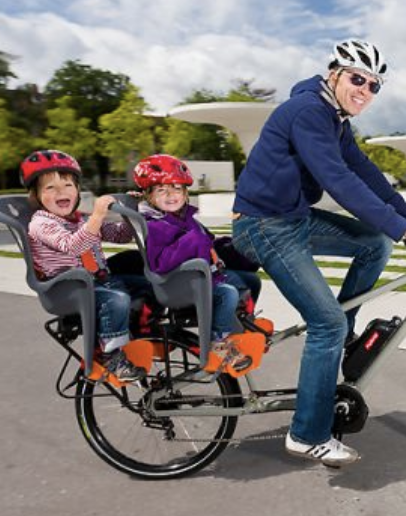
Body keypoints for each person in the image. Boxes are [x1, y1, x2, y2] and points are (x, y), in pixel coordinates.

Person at [232, 39, 406, 467]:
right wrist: (404, 228)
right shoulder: (309, 112)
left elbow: (364, 171)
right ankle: (307, 433)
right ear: (334, 73)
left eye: (374, 85)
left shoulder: (335, 120)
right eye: (357, 78)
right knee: (323, 322)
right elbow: (339, 182)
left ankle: (341, 334)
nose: (364, 89)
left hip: (292, 219)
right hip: (264, 226)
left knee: (373, 242)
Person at [22, 149, 149, 382]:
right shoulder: (40, 223)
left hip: (98, 280)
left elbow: (120, 236)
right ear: (37, 195)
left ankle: (133, 329)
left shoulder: (79, 218)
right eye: (50, 188)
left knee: (146, 284)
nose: (61, 191)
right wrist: (98, 215)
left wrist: (131, 211)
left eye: (68, 185)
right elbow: (73, 246)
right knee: (117, 299)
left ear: (78, 190)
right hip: (69, 289)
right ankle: (110, 355)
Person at [133, 153, 253, 374]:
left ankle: (240, 325)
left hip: (200, 278)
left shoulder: (185, 218)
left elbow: (208, 241)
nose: (171, 195)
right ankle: (219, 342)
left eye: (177, 188)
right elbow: (159, 263)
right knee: (228, 293)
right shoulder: (156, 227)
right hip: (177, 285)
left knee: (250, 279)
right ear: (149, 196)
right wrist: (194, 241)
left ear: (186, 193)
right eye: (162, 190)